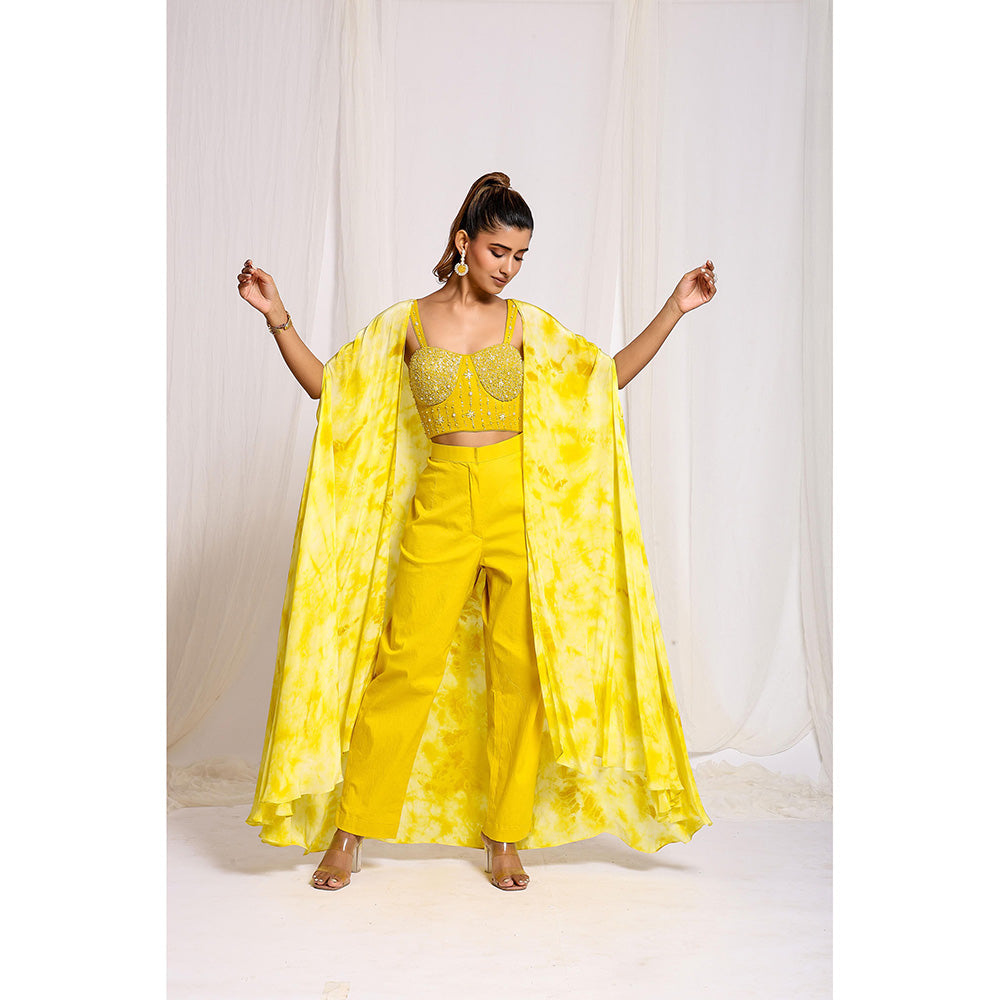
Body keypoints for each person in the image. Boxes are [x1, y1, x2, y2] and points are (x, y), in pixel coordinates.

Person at [237, 171, 717, 892]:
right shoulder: (407, 323)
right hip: (440, 504)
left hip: (518, 506)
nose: (509, 267)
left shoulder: (525, 325)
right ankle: (351, 829)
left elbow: (603, 381)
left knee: (519, 673)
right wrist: (278, 318)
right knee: (405, 665)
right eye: (499, 251)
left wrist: (673, 309)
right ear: (464, 242)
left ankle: (505, 834)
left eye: (520, 256)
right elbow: (332, 391)